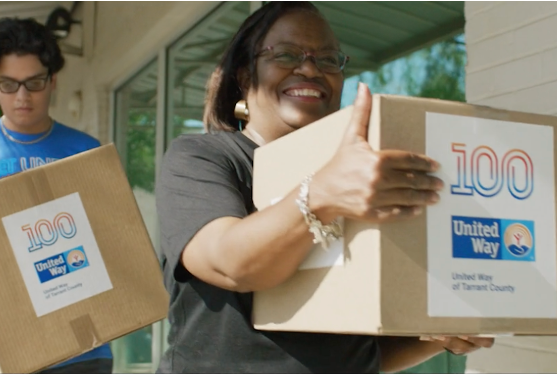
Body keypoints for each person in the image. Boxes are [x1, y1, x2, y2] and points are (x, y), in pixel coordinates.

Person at [155, 1, 494, 373]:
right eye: (285, 54)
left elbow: (360, 352)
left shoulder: (360, 179)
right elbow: (231, 264)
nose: (310, 68)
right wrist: (319, 198)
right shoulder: (203, 158)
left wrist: (439, 335)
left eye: (329, 59)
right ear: (246, 77)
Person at [0, 17, 113, 374]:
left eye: (33, 83)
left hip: (82, 346)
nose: (22, 96)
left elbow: (115, 239)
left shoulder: (85, 151)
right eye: (8, 84)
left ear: (52, 82)